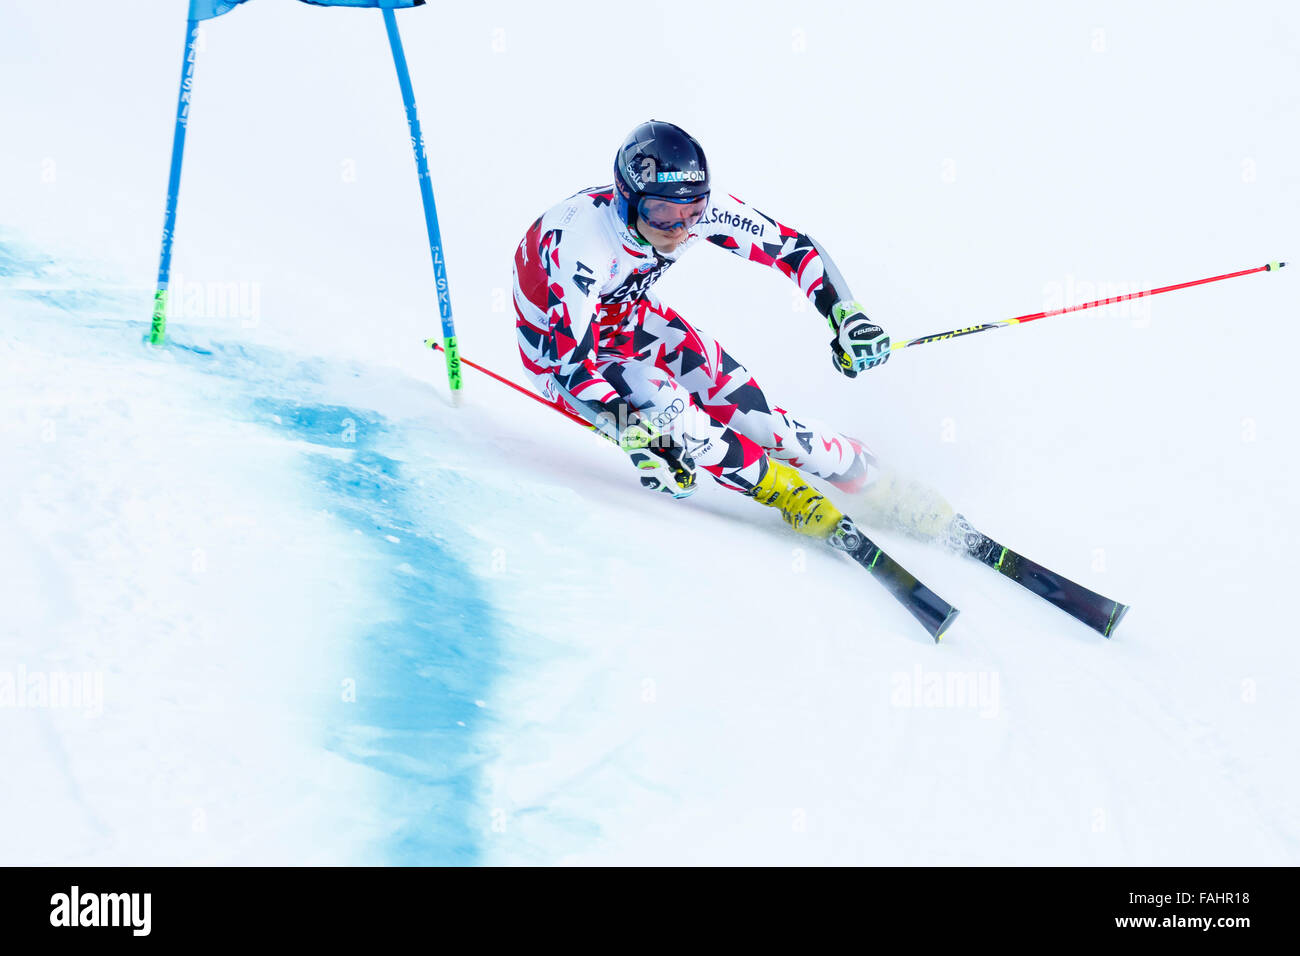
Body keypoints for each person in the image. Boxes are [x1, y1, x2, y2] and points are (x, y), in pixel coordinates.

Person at [511, 119, 945, 541]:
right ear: (626, 198)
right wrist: (634, 434)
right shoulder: (581, 246)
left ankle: (874, 480)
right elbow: (573, 368)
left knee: (763, 424)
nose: (680, 230)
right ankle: (787, 494)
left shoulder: (691, 214)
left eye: (693, 211)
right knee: (679, 421)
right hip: (562, 359)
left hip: (630, 320)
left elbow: (792, 249)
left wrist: (847, 315)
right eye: (662, 214)